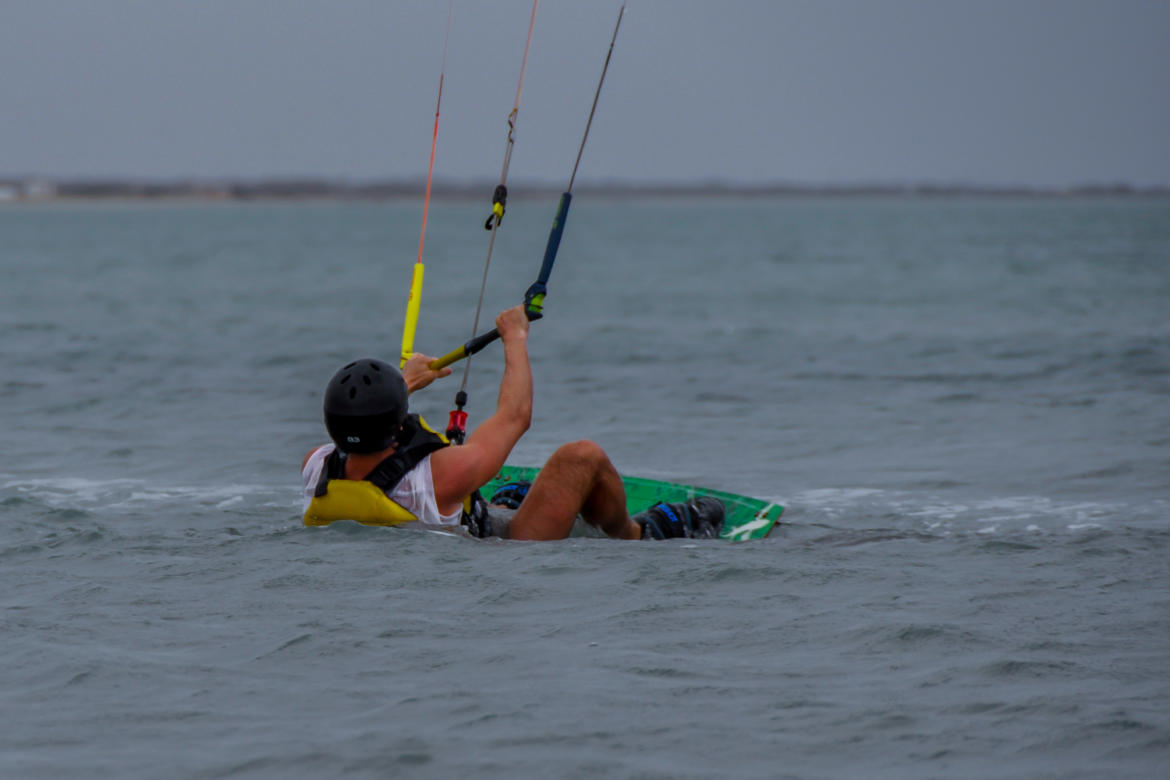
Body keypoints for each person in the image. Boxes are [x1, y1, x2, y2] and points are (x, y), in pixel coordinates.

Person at [301, 305, 723, 540]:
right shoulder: (444, 475)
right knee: (581, 458)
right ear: (394, 426)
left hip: (448, 532)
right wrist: (515, 337)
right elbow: (515, 417)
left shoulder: (316, 467)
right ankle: (637, 534)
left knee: (504, 496)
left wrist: (405, 384)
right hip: (512, 549)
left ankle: (511, 501)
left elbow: (368, 439)